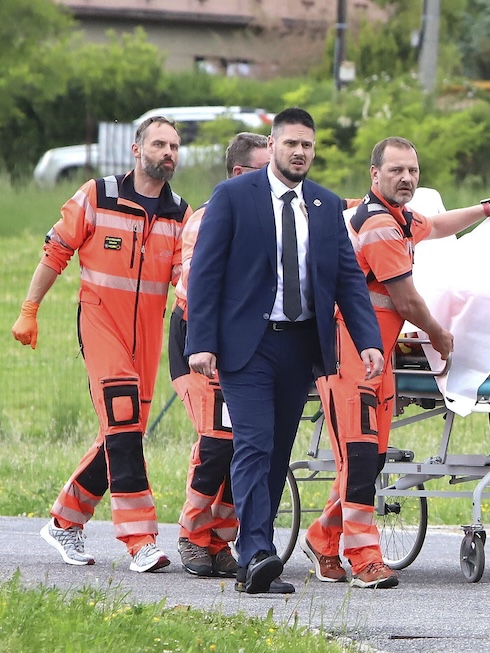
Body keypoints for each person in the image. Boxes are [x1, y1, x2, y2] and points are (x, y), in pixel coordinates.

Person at [299, 136, 490, 589]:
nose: (406, 178)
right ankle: (363, 557)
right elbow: (405, 299)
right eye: (397, 170)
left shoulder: (400, 218)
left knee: (371, 457)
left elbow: (437, 225)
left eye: (413, 171)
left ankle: (323, 537)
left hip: (374, 355)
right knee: (361, 456)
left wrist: (487, 209)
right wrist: (441, 336)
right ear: (375, 175)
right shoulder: (380, 224)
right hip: (349, 353)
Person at [184, 107, 385, 595]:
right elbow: (206, 273)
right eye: (291, 143)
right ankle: (254, 554)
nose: (300, 152)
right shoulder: (233, 197)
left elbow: (348, 281)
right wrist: (201, 343)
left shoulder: (324, 204)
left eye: (307, 145)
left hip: (299, 346)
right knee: (252, 443)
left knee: (276, 453)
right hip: (244, 348)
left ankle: (258, 553)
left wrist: (370, 342)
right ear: (272, 146)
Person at [12, 116, 191, 573]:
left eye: (174, 145)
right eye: (159, 143)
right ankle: (140, 541)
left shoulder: (179, 214)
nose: (168, 152)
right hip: (100, 324)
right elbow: (56, 251)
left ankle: (64, 521)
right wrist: (29, 309)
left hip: (146, 338)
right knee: (125, 424)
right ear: (136, 149)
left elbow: (187, 281)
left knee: (120, 433)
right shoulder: (98, 194)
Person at [169, 132, 270, 577]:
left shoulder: (278, 216)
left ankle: (218, 538)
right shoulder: (209, 218)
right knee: (215, 444)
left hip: (244, 343)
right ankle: (192, 535)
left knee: (242, 445)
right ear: (239, 174)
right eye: (268, 169)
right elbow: (198, 289)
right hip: (199, 337)